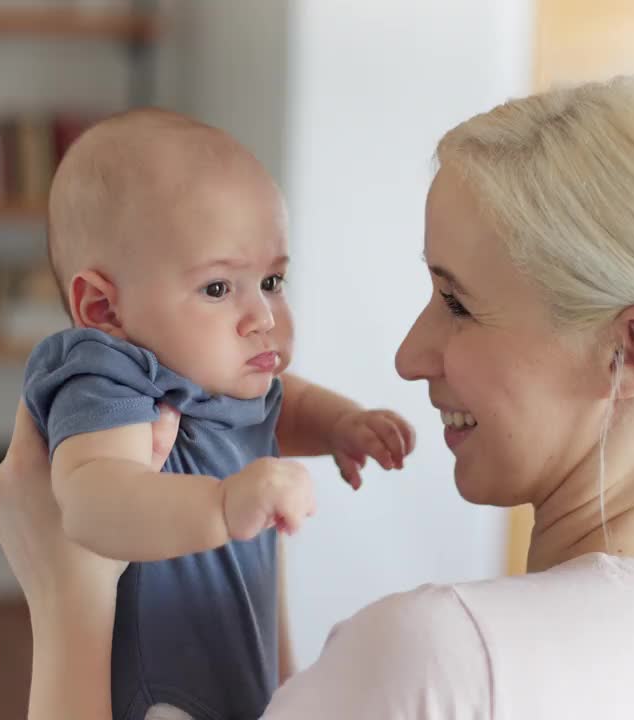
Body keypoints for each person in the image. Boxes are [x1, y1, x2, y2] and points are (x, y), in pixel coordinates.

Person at [0, 73, 634, 719]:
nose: (406, 354)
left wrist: (69, 604)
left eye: (457, 302)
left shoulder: (441, 660)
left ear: (631, 350)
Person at [22, 109, 415, 720]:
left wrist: (342, 423)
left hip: (240, 657)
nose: (262, 315)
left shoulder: (222, 377)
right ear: (103, 308)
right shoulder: (110, 374)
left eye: (273, 279)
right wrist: (221, 504)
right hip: (164, 685)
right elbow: (94, 498)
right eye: (217, 288)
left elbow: (284, 402)